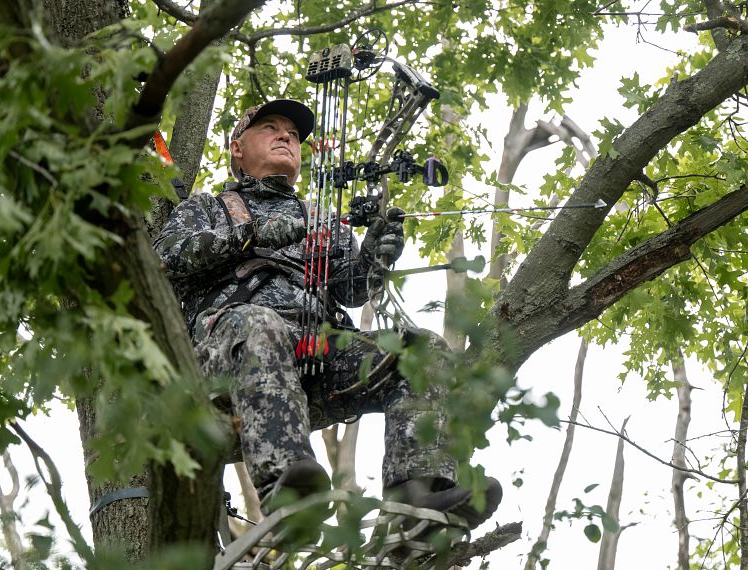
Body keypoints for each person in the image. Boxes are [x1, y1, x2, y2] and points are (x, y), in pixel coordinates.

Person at [153, 99, 501, 528]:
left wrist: (375, 257)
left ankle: (419, 493)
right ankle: (290, 486)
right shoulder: (210, 208)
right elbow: (167, 261)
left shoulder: (319, 220)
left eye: (294, 135)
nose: (286, 136)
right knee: (262, 325)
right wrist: (255, 233)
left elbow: (350, 289)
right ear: (237, 148)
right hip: (229, 364)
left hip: (318, 364)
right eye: (270, 127)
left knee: (421, 348)